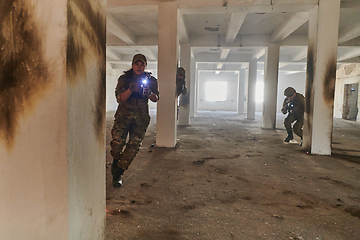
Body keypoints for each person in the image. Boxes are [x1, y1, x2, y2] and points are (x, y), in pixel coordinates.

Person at [110, 53, 159, 188]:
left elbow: (156, 98)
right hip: (123, 116)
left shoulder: (151, 80)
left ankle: (118, 173)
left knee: (134, 146)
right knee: (117, 144)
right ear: (132, 65)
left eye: (142, 64)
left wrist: (149, 93)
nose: (139, 67)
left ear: (145, 66)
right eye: (136, 64)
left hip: (141, 118)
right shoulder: (124, 79)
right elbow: (120, 99)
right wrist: (131, 89)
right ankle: (115, 160)